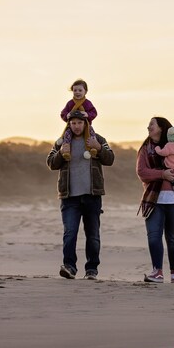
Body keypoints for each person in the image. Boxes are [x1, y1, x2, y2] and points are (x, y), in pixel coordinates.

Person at [46, 109, 115, 280]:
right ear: (69, 124)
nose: (76, 126)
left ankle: (92, 269)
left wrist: (98, 148)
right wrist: (61, 153)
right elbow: (51, 163)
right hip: (69, 196)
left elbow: (110, 159)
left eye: (79, 123)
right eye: (73, 123)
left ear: (86, 123)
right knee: (70, 233)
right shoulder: (61, 142)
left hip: (92, 195)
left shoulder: (97, 139)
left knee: (93, 235)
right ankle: (69, 267)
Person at [137, 116, 174, 283]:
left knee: (173, 237)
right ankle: (157, 272)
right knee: (153, 235)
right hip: (154, 198)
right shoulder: (145, 149)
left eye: (151, 125)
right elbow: (142, 172)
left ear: (161, 128)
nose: (148, 127)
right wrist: (162, 174)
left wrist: (173, 174)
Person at [59, 79, 99, 161]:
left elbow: (94, 112)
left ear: (85, 91)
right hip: (71, 127)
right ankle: (66, 152)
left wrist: (87, 114)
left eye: (80, 90)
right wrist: (67, 115)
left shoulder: (88, 103)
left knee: (91, 134)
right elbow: (63, 113)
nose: (77, 92)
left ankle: (92, 149)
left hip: (86, 126)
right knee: (67, 135)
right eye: (75, 90)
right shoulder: (70, 103)